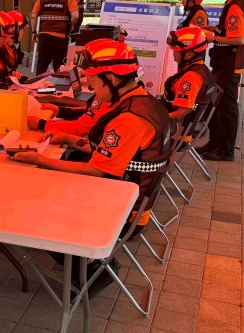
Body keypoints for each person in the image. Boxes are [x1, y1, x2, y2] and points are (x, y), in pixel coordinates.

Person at [13, 39, 171, 296]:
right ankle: (89, 262)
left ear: (112, 79)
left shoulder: (129, 119)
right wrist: (68, 139)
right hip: (133, 195)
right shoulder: (143, 101)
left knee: (38, 208)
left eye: (94, 82)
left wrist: (41, 161)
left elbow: (96, 171)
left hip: (125, 210)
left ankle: (92, 270)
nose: (91, 88)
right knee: (55, 179)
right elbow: (111, 153)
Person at [196, 0, 244, 161]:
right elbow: (227, 31)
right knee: (214, 103)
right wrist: (210, 28)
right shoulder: (231, 5)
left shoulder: (235, 7)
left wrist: (213, 38)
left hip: (229, 65)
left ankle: (226, 150)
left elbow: (238, 38)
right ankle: (215, 142)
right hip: (223, 64)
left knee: (226, 108)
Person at [31, 0, 79, 75]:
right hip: (60, 37)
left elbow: (34, 16)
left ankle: (38, 84)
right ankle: (58, 85)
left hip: (44, 36)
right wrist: (70, 24)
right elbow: (75, 16)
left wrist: (34, 32)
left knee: (42, 65)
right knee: (59, 67)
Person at [163, 27, 213, 120]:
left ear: (189, 54)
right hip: (166, 110)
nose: (173, 54)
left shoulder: (191, 77)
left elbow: (183, 111)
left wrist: (161, 119)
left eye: (176, 51)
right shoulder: (202, 69)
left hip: (168, 121)